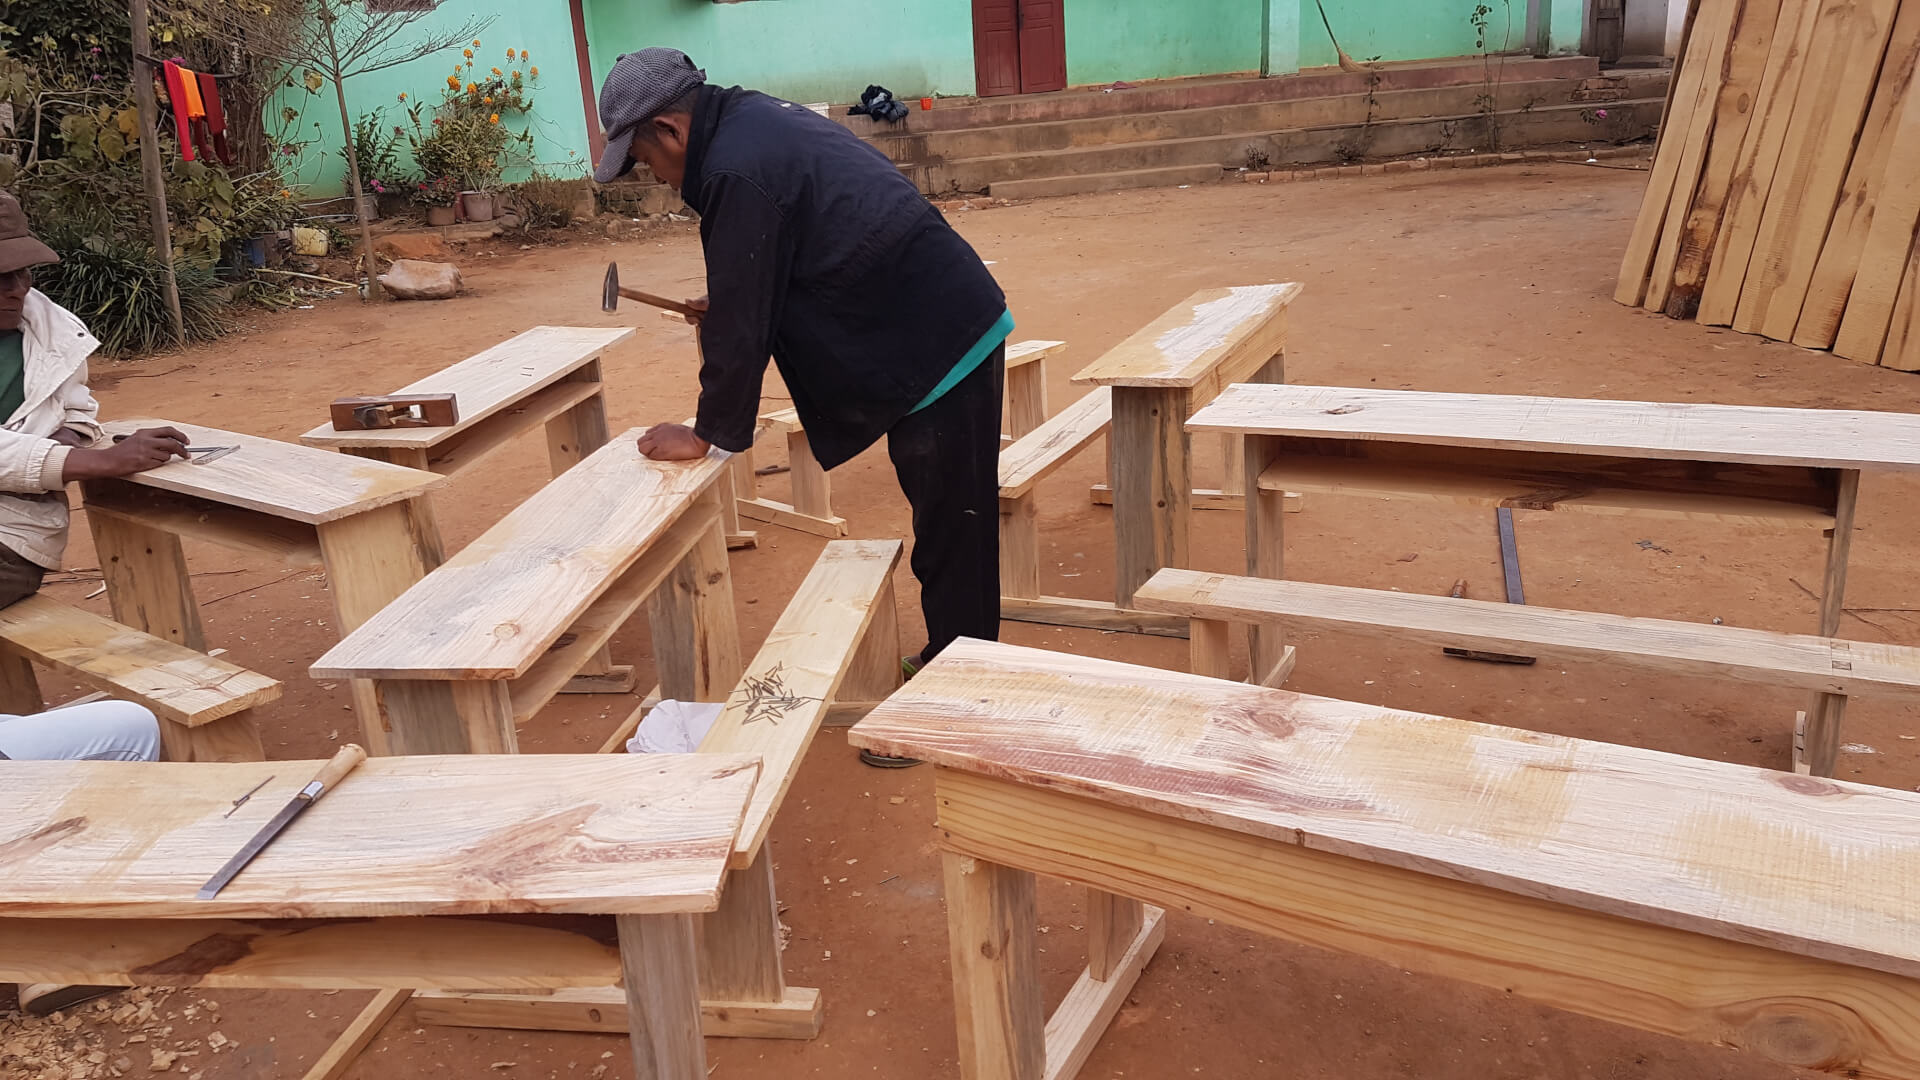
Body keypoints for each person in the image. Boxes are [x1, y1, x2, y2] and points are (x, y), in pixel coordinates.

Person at [595, 50, 1009, 768]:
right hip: (926, 318)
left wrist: (710, 434)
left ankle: (957, 699)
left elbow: (743, 324)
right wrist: (731, 299)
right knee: (949, 518)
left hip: (937, 337)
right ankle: (955, 666)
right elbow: (778, 260)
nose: (655, 180)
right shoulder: (749, 121)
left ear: (669, 129)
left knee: (953, 523)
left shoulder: (733, 168)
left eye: (642, 162)